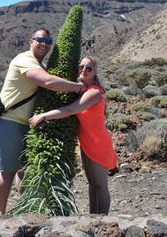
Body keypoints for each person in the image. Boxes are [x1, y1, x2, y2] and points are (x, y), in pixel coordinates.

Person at [0, 28, 86, 216]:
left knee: (24, 169)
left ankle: (24, 208)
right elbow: (48, 82)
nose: (44, 44)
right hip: (9, 121)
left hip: (28, 123)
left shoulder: (39, 65)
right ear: (31, 41)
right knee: (8, 170)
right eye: (40, 40)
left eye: (48, 41)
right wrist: (78, 87)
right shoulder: (24, 60)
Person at [29, 57, 117, 215]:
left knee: (100, 186)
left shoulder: (93, 93)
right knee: (92, 183)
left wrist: (44, 116)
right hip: (88, 142)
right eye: (81, 67)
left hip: (97, 143)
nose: (83, 70)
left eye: (88, 68)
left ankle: (103, 222)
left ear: (95, 72)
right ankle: (94, 218)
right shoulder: (84, 91)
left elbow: (70, 110)